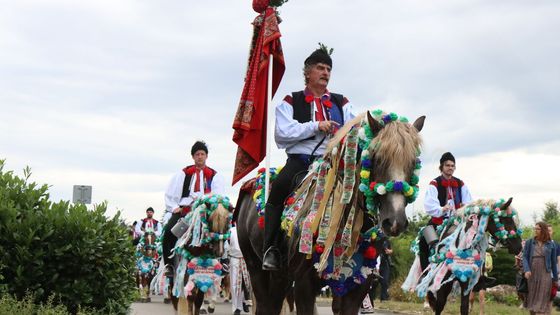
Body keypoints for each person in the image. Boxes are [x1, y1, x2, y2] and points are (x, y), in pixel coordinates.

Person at [261, 45, 356, 271]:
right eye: (320, 68)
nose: (325, 73)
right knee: (277, 192)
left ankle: (360, 244)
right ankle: (271, 248)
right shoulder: (291, 101)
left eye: (328, 69)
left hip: (334, 163)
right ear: (307, 73)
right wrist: (316, 126)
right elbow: (282, 133)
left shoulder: (341, 102)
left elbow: (354, 127)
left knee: (359, 195)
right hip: (301, 162)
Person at [161, 140, 225, 275]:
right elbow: (171, 194)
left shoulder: (214, 175)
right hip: (185, 214)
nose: (200, 157)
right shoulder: (184, 173)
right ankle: (169, 265)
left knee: (221, 230)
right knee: (169, 233)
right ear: (193, 156)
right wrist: (174, 208)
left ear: (206, 156)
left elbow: (219, 195)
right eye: (197, 154)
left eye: (202, 154)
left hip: (206, 212)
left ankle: (224, 261)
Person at [419, 152, 473, 271]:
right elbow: (429, 204)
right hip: (439, 221)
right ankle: (425, 272)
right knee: (423, 242)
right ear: (441, 167)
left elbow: (468, 201)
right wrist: (441, 209)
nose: (450, 168)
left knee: (474, 240)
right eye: (447, 165)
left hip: (458, 222)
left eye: (452, 165)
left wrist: (465, 206)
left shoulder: (460, 183)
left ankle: (478, 274)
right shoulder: (434, 183)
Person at [523, 221, 558, 315]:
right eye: (535, 228)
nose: (535, 230)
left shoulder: (551, 244)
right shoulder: (530, 242)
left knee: (542, 301)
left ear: (543, 230)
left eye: (538, 229)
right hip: (532, 274)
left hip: (545, 274)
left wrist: (555, 278)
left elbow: (554, 262)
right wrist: (526, 270)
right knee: (532, 300)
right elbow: (525, 257)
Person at [370, 236, 393, 302]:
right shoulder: (375, 238)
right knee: (374, 281)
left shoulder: (386, 240)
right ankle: (371, 297)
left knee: (385, 281)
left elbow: (391, 250)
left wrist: (389, 251)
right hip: (375, 262)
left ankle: (384, 298)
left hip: (384, 262)